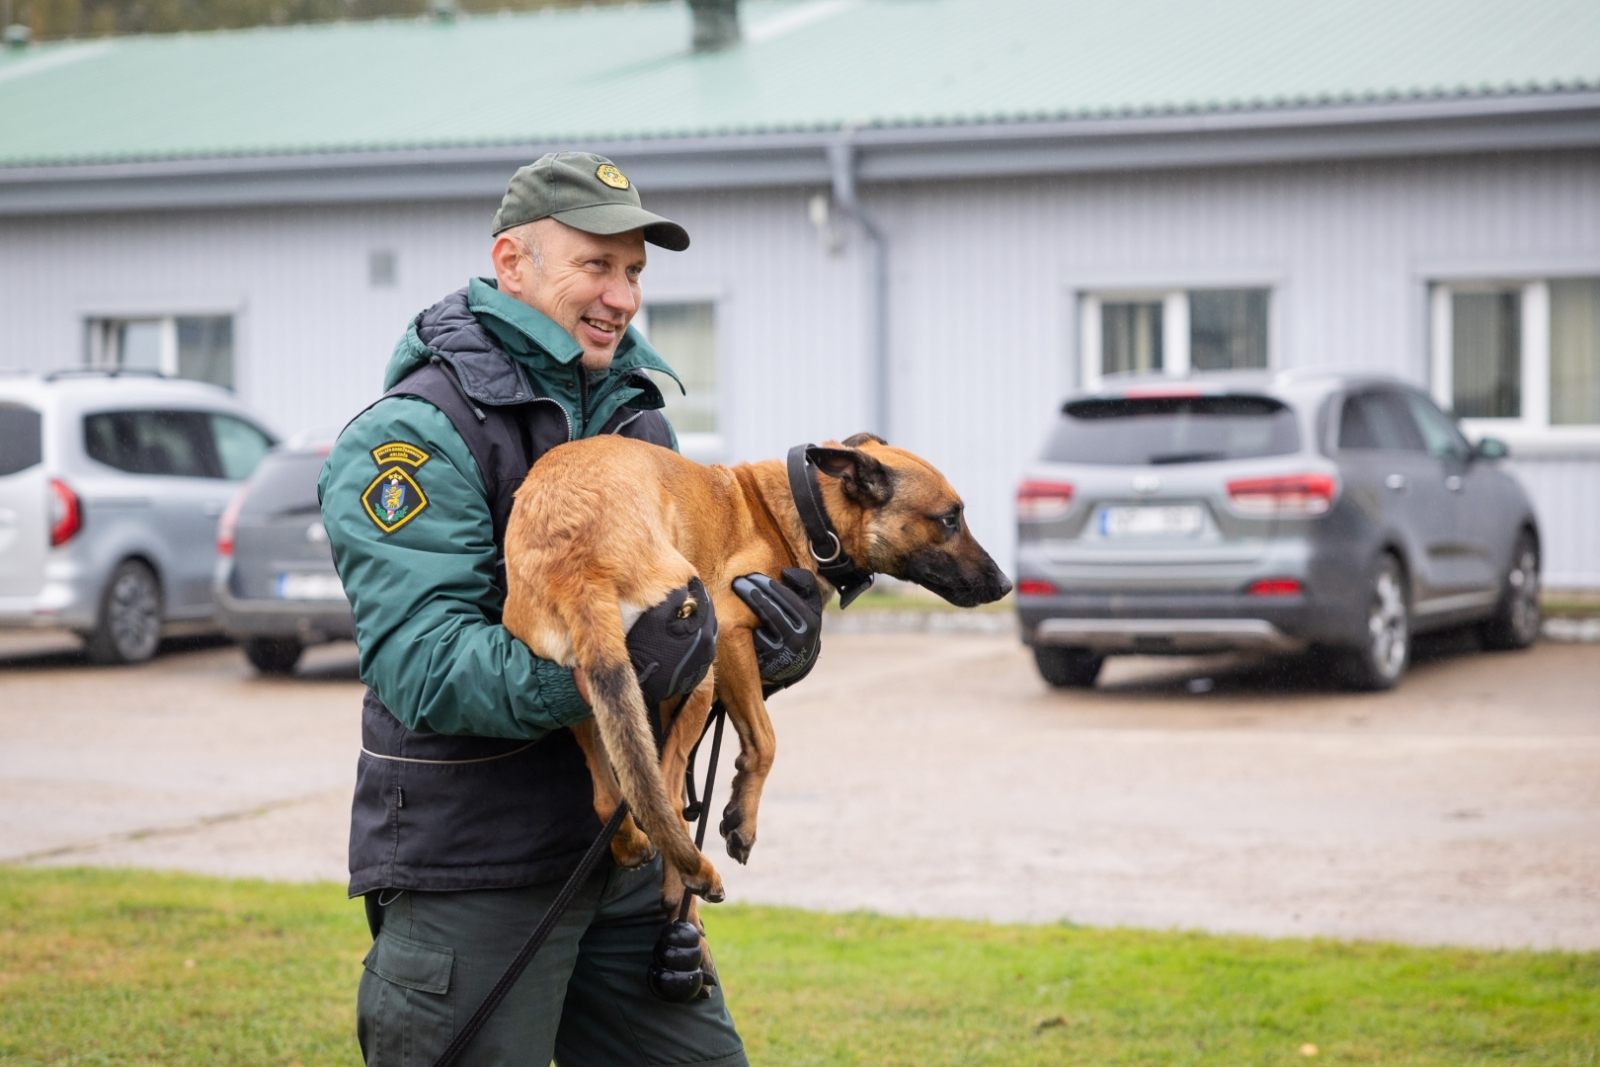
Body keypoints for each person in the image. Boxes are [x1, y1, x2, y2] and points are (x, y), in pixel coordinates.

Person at [318, 152, 822, 1067]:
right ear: (513, 262)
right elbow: (424, 666)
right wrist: (626, 662)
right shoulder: (413, 435)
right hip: (474, 871)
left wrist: (753, 647)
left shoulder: (640, 422)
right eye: (596, 264)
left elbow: (683, 653)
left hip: (625, 867)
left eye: (633, 271)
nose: (621, 296)